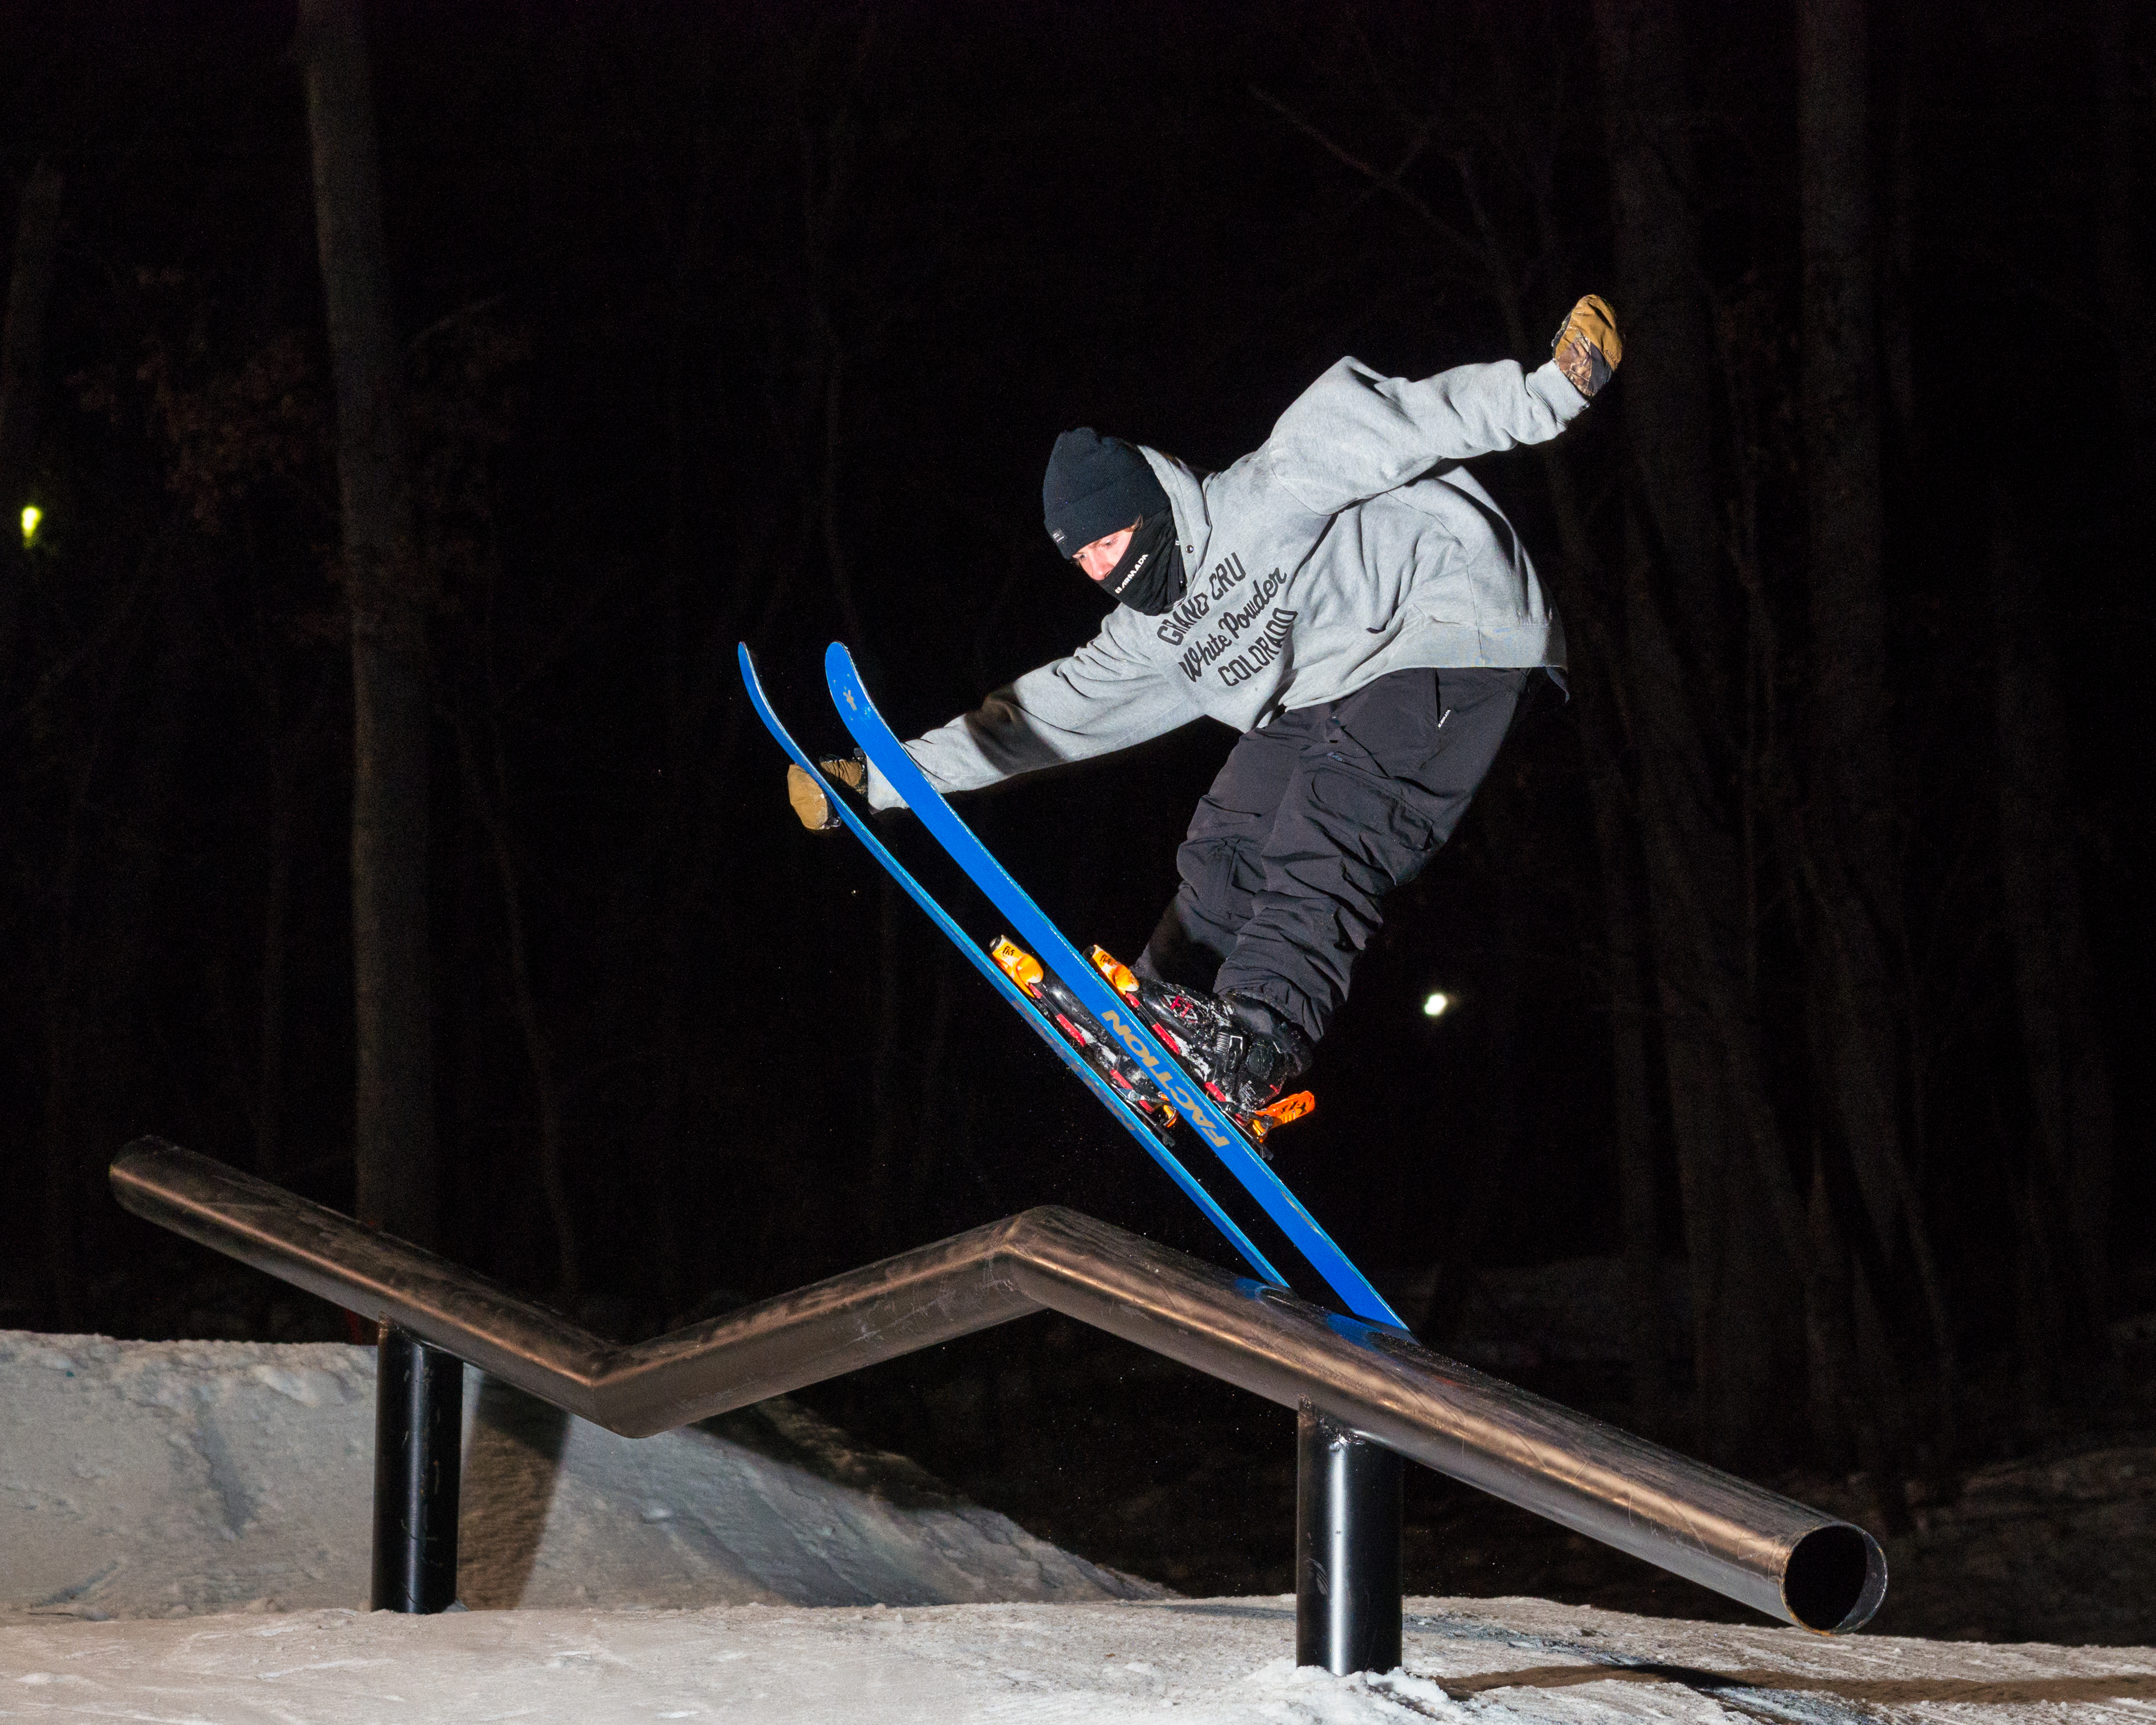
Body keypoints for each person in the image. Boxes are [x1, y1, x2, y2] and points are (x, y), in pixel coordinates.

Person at [789, 297, 1621, 1119]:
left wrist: (1553, 387)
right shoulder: (1149, 639)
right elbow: (1034, 720)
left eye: (1109, 543)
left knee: (1327, 823)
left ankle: (1258, 1034)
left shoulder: (1272, 487)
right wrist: (875, 781)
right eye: (1081, 561)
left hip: (1449, 636)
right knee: (1228, 828)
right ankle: (1157, 1018)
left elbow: (1414, 419)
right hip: (1324, 690)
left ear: (1146, 506)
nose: (1104, 573)